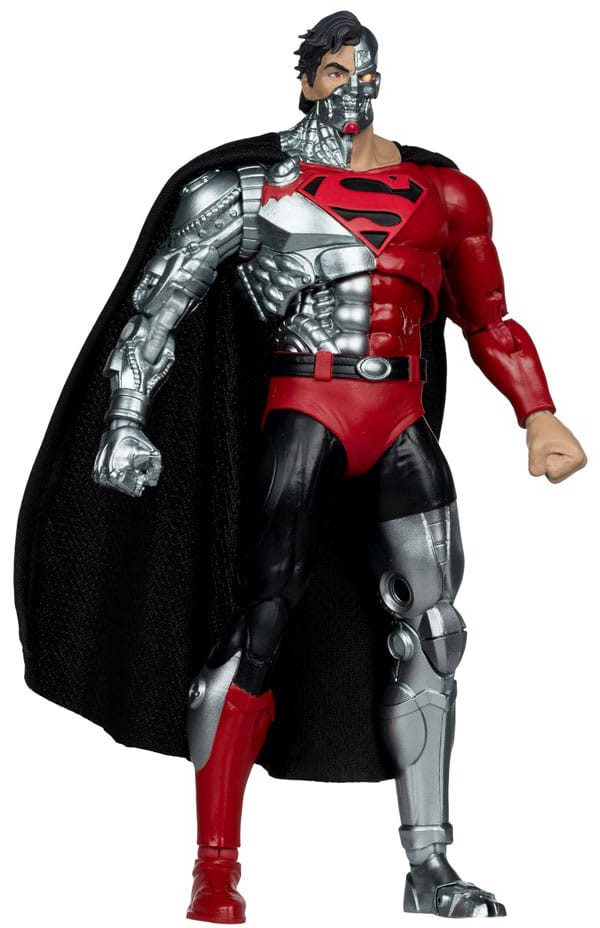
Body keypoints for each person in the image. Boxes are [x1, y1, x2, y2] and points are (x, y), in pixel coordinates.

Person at [17, 9, 586, 925]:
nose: (357, 88)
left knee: (435, 631)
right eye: (339, 72)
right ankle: (215, 867)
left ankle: (430, 864)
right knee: (261, 623)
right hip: (306, 414)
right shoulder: (246, 192)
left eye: (369, 72)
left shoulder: (445, 195)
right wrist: (125, 421)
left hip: (399, 421)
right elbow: (155, 314)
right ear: (311, 78)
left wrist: (539, 413)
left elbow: (491, 320)